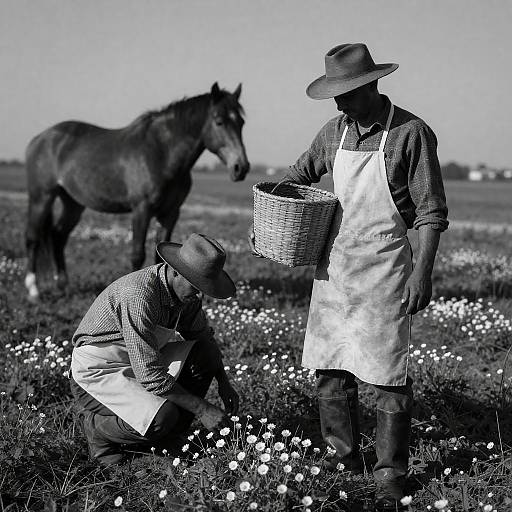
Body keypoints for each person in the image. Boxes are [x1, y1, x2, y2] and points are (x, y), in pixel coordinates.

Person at [250, 43, 448, 510]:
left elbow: (431, 213)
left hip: (385, 268)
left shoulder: (410, 134)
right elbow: (301, 172)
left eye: (347, 93)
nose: (339, 103)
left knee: (386, 374)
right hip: (334, 269)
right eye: (334, 95)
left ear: (372, 84)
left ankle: (389, 474)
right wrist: (270, 204)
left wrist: (423, 273)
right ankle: (342, 459)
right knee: (330, 368)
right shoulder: (333, 131)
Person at [70, 233, 239, 466]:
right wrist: (203, 410)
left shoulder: (186, 297)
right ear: (175, 271)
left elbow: (203, 339)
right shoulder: (140, 295)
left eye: (204, 287)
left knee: (204, 354)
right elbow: (150, 376)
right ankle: (98, 431)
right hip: (99, 371)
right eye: (196, 285)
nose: (199, 294)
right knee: (161, 418)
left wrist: (224, 381)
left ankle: (166, 436)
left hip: (139, 361)